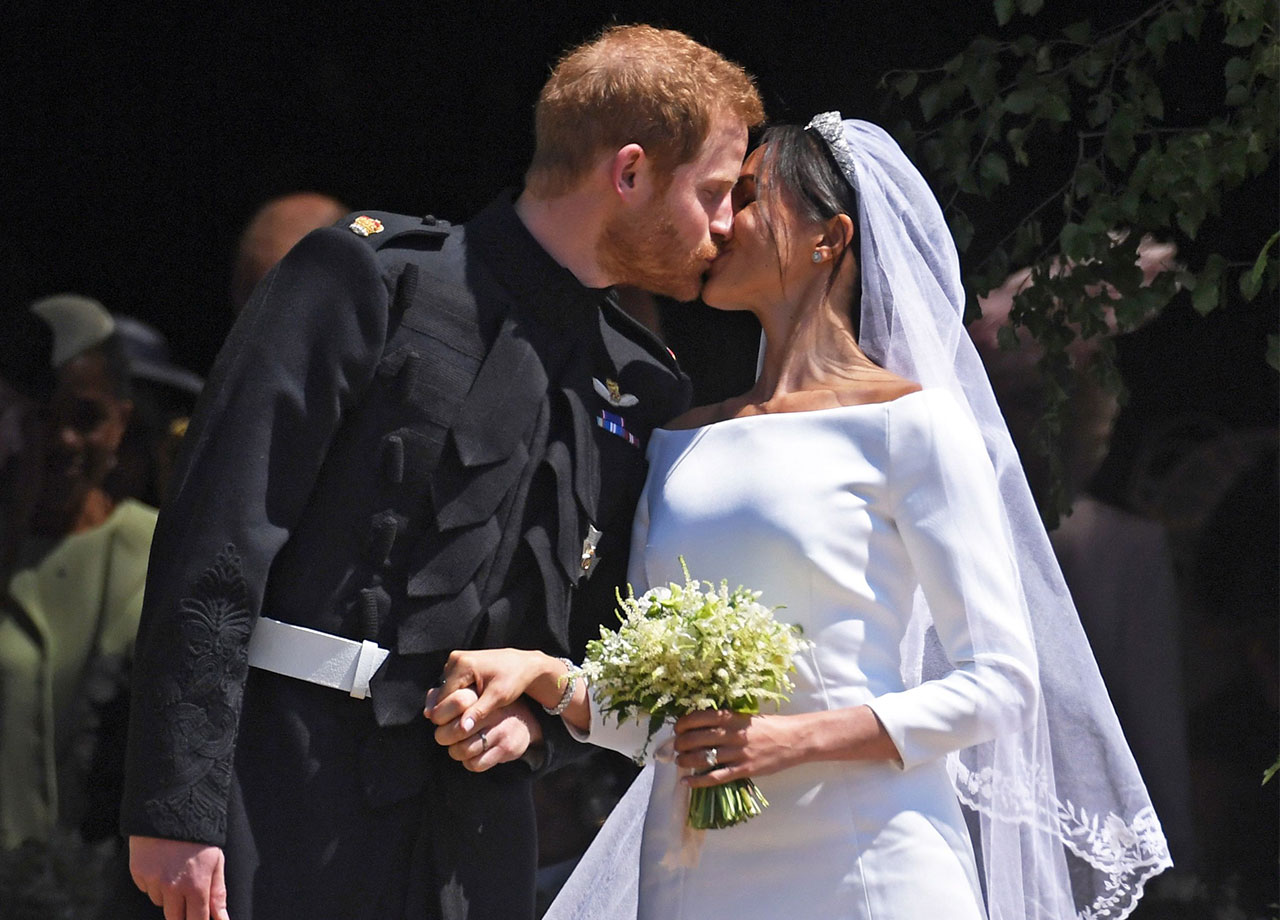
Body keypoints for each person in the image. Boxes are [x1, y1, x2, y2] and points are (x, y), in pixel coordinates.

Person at [428, 116, 1172, 919]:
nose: (718, 221)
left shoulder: (910, 426)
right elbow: (659, 724)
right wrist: (549, 679)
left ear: (829, 238)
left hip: (870, 865)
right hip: (692, 875)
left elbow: (1000, 684)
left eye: (746, 196)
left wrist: (793, 739)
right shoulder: (679, 439)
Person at [119, 24, 763, 920]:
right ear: (629, 172)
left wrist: (536, 731)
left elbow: (594, 640)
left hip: (474, 847)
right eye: (716, 193)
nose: (726, 227)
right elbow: (214, 540)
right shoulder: (367, 279)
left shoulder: (645, 384)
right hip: (278, 795)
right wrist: (175, 807)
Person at [1, 297, 157, 849]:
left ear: (122, 421)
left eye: (86, 418)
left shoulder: (164, 553)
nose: (64, 439)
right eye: (45, 417)